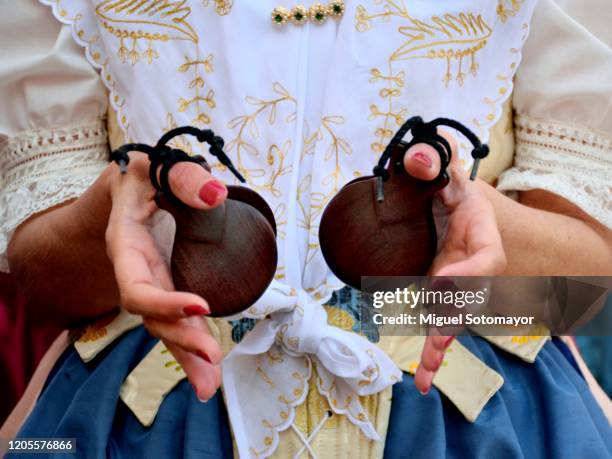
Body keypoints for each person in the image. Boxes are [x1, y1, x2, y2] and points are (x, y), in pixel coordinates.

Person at [1, 0, 611, 457]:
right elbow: (46, 285)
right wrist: (129, 212)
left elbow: (579, 293)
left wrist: (457, 235)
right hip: (158, 413)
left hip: (469, 419)